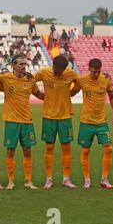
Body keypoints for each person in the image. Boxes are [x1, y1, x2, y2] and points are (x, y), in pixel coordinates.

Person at [0, 54, 44, 190]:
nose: (23, 67)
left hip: (27, 120)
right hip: (11, 120)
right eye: (21, 64)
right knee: (11, 150)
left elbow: (38, 94)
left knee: (27, 150)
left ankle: (28, 180)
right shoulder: (4, 77)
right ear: (13, 65)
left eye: (25, 64)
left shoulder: (30, 79)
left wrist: (53, 95)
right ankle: (11, 181)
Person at [70, 58, 113, 189]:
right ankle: (87, 180)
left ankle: (104, 179)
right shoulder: (82, 80)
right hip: (86, 122)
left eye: (98, 72)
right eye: (94, 72)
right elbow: (72, 93)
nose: (96, 74)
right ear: (89, 68)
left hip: (101, 122)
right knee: (85, 150)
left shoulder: (106, 79)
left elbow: (112, 96)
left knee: (109, 148)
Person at [35, 55, 78, 189]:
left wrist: (73, 92)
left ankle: (66, 179)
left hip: (65, 116)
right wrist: (38, 94)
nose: (55, 71)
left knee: (66, 147)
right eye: (54, 68)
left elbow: (81, 83)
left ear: (64, 69)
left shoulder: (71, 73)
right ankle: (49, 179)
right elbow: (29, 80)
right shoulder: (44, 72)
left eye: (58, 70)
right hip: (49, 116)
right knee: (49, 147)